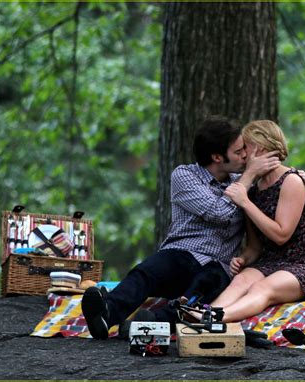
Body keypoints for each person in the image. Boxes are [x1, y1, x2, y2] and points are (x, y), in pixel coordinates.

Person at [81, 116, 282, 339]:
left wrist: (299, 178)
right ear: (217, 157)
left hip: (219, 266)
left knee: (203, 288)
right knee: (148, 270)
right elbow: (219, 213)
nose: (245, 155)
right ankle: (106, 313)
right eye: (238, 151)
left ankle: (149, 325)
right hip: (182, 255)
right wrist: (247, 178)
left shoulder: (242, 180)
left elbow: (277, 181)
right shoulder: (185, 176)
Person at [211, 120, 305, 323]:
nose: (242, 155)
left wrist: (245, 203)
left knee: (262, 287)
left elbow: (281, 235)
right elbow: (255, 247)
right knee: (241, 280)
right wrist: (244, 259)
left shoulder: (291, 180)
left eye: (244, 149)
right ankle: (202, 315)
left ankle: (216, 318)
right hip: (271, 263)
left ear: (260, 148)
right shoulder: (253, 190)